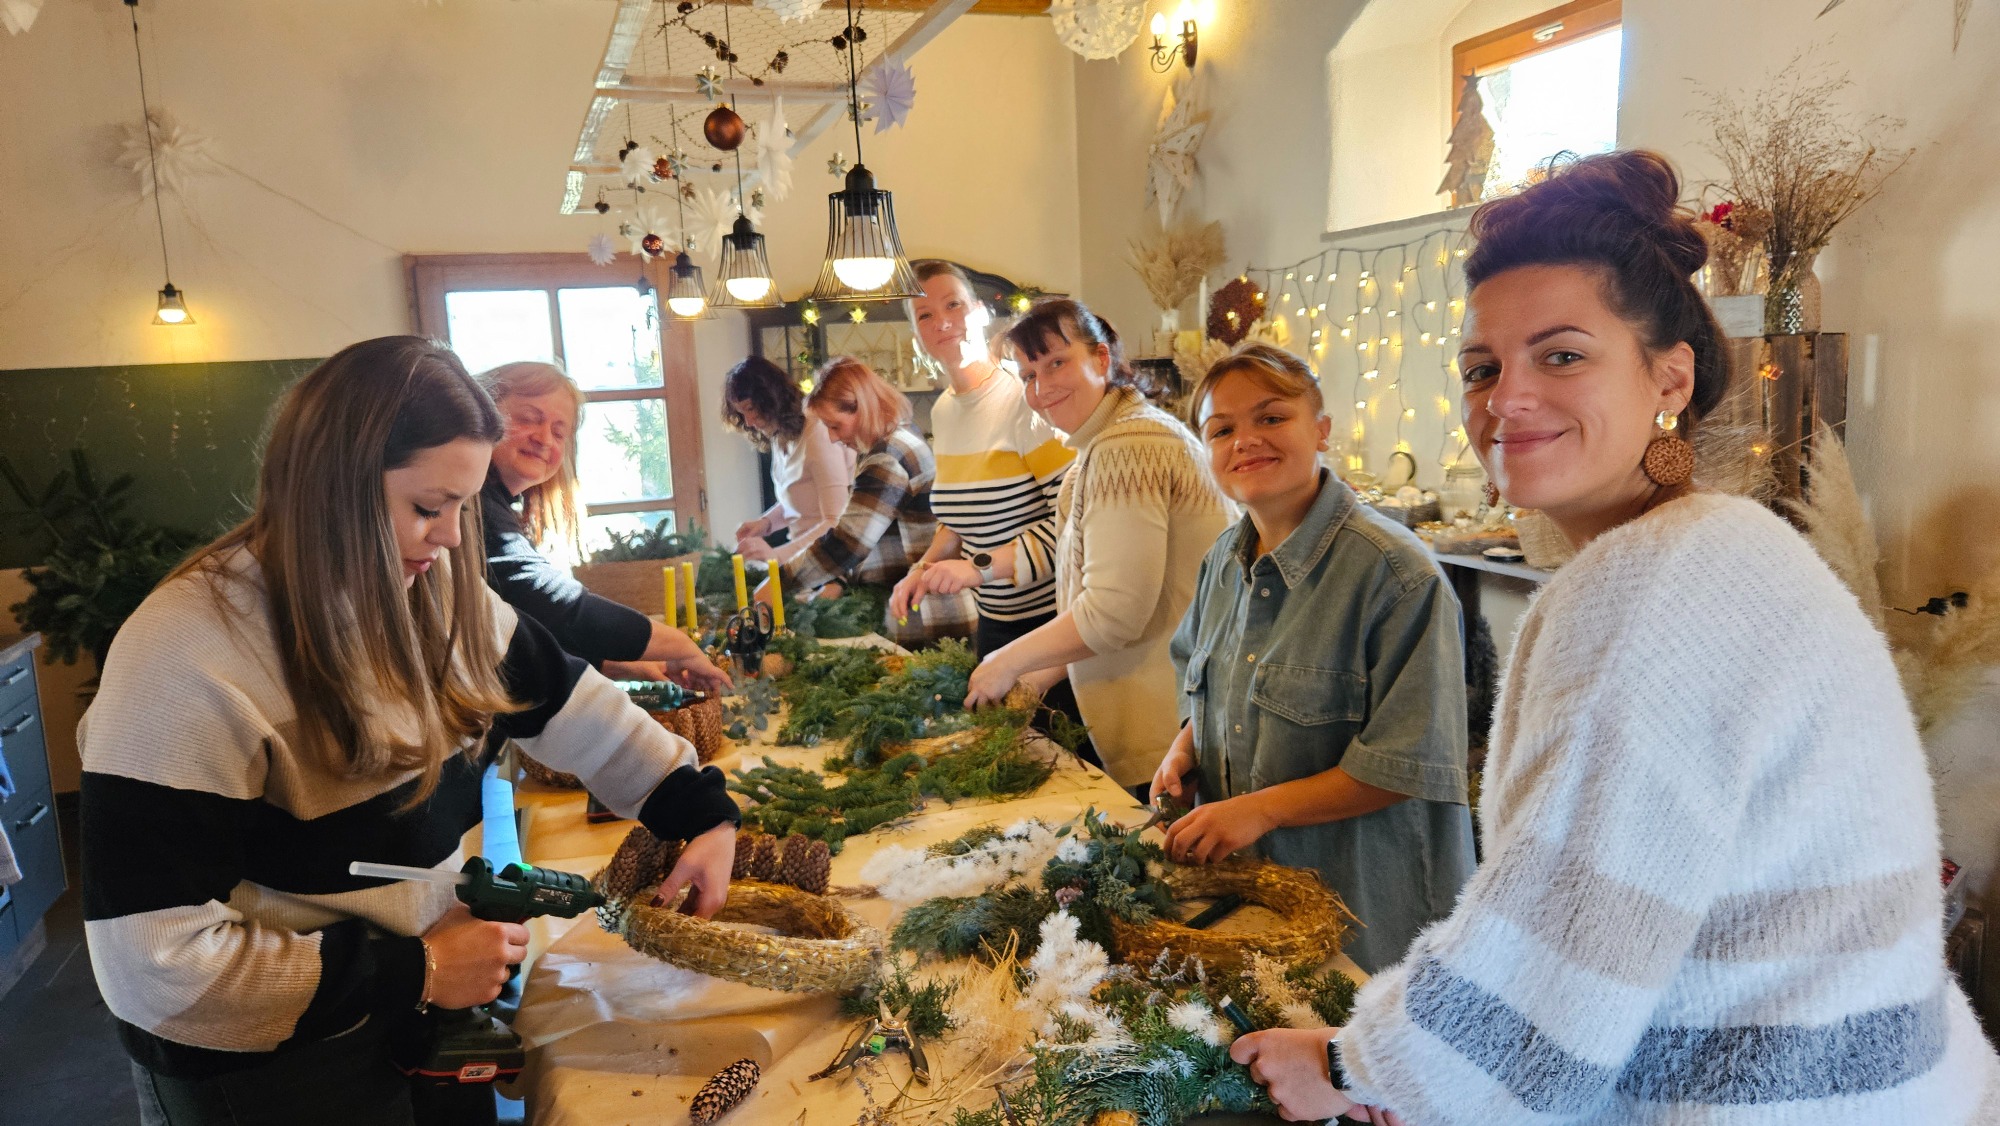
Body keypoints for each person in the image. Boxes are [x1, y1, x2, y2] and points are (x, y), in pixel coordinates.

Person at [1230, 152, 2000, 1123]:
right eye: (1481, 368)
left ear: (1669, 376)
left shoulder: (1657, 586)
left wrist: (1353, 1065)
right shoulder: (1712, 546)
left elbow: (1562, 948)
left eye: (1561, 356)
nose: (1505, 398)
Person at [79, 338, 740, 1125]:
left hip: (417, 1012)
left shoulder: (432, 591)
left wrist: (697, 810)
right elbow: (156, 967)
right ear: (332, 489)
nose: (454, 538)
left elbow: (569, 703)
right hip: (273, 1072)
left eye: (464, 505)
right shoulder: (184, 657)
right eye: (429, 507)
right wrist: (415, 968)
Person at [1153, 343, 1475, 975]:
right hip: (1256, 906)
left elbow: (1407, 764)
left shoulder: (1396, 575)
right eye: (1222, 430)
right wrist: (1185, 750)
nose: (1246, 440)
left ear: (1321, 430)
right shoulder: (1222, 562)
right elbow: (1204, 682)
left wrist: (1260, 809)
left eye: (1271, 418)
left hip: (1370, 921)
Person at [964, 299, 1231, 791]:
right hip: (1174, 725)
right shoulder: (1109, 444)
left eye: (1056, 363)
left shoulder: (1128, 446)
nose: (1041, 388)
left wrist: (1006, 660)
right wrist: (1039, 675)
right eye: (1028, 375)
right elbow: (1103, 602)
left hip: (1173, 734)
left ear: (1101, 359)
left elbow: (1114, 611)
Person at [890, 261, 1088, 740]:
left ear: (979, 311)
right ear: (916, 334)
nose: (942, 322)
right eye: (924, 315)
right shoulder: (944, 411)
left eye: (953, 305)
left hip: (1052, 631)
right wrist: (923, 568)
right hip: (993, 626)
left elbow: (1070, 524)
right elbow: (959, 518)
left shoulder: (1026, 399)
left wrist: (976, 569)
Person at [475, 361, 728, 693]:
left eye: (559, 432)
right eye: (528, 419)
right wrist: (679, 644)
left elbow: (519, 628)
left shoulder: (494, 502)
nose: (544, 438)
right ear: (481, 412)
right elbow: (551, 603)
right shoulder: (475, 504)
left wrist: (617, 665)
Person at [788, 355, 973, 648]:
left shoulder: (888, 456)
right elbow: (873, 533)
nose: (833, 438)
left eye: (835, 426)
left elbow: (848, 543)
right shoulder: (897, 439)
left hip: (926, 616)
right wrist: (839, 580)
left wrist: (779, 583)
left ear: (861, 408)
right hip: (923, 606)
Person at [722, 355, 855, 574]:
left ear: (771, 399)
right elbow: (801, 499)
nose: (749, 422)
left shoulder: (818, 434)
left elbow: (836, 521)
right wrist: (765, 523)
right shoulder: (781, 435)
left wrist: (778, 556)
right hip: (806, 562)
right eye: (741, 413)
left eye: (750, 408)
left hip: (833, 565)